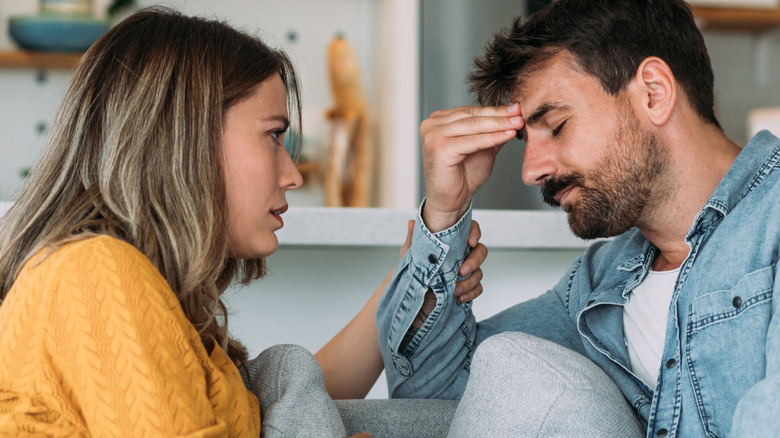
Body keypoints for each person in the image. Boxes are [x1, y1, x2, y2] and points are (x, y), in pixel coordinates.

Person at [0, 8, 488, 437]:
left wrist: (415, 277)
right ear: (185, 138)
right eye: (273, 136)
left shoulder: (118, 282)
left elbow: (280, 412)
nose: (293, 175)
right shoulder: (94, 273)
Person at [376, 0, 780, 436]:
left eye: (557, 124)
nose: (531, 171)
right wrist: (445, 214)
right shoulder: (600, 280)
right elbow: (437, 399)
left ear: (654, 93)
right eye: (525, 141)